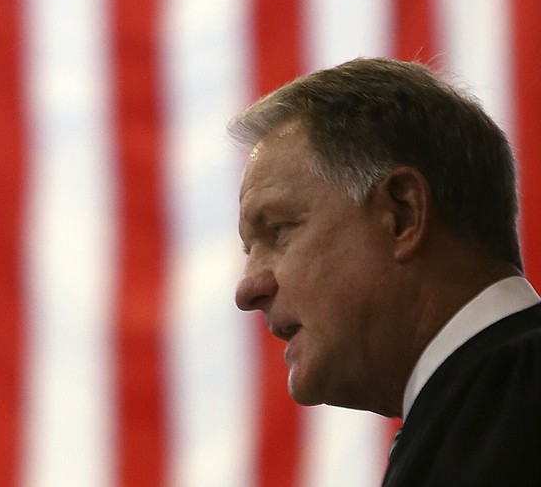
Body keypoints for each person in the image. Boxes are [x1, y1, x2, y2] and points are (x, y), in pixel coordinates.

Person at [230, 57, 541, 486]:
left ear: (402, 215)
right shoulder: (473, 410)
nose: (247, 289)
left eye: (278, 230)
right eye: (250, 249)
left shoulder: (511, 406)